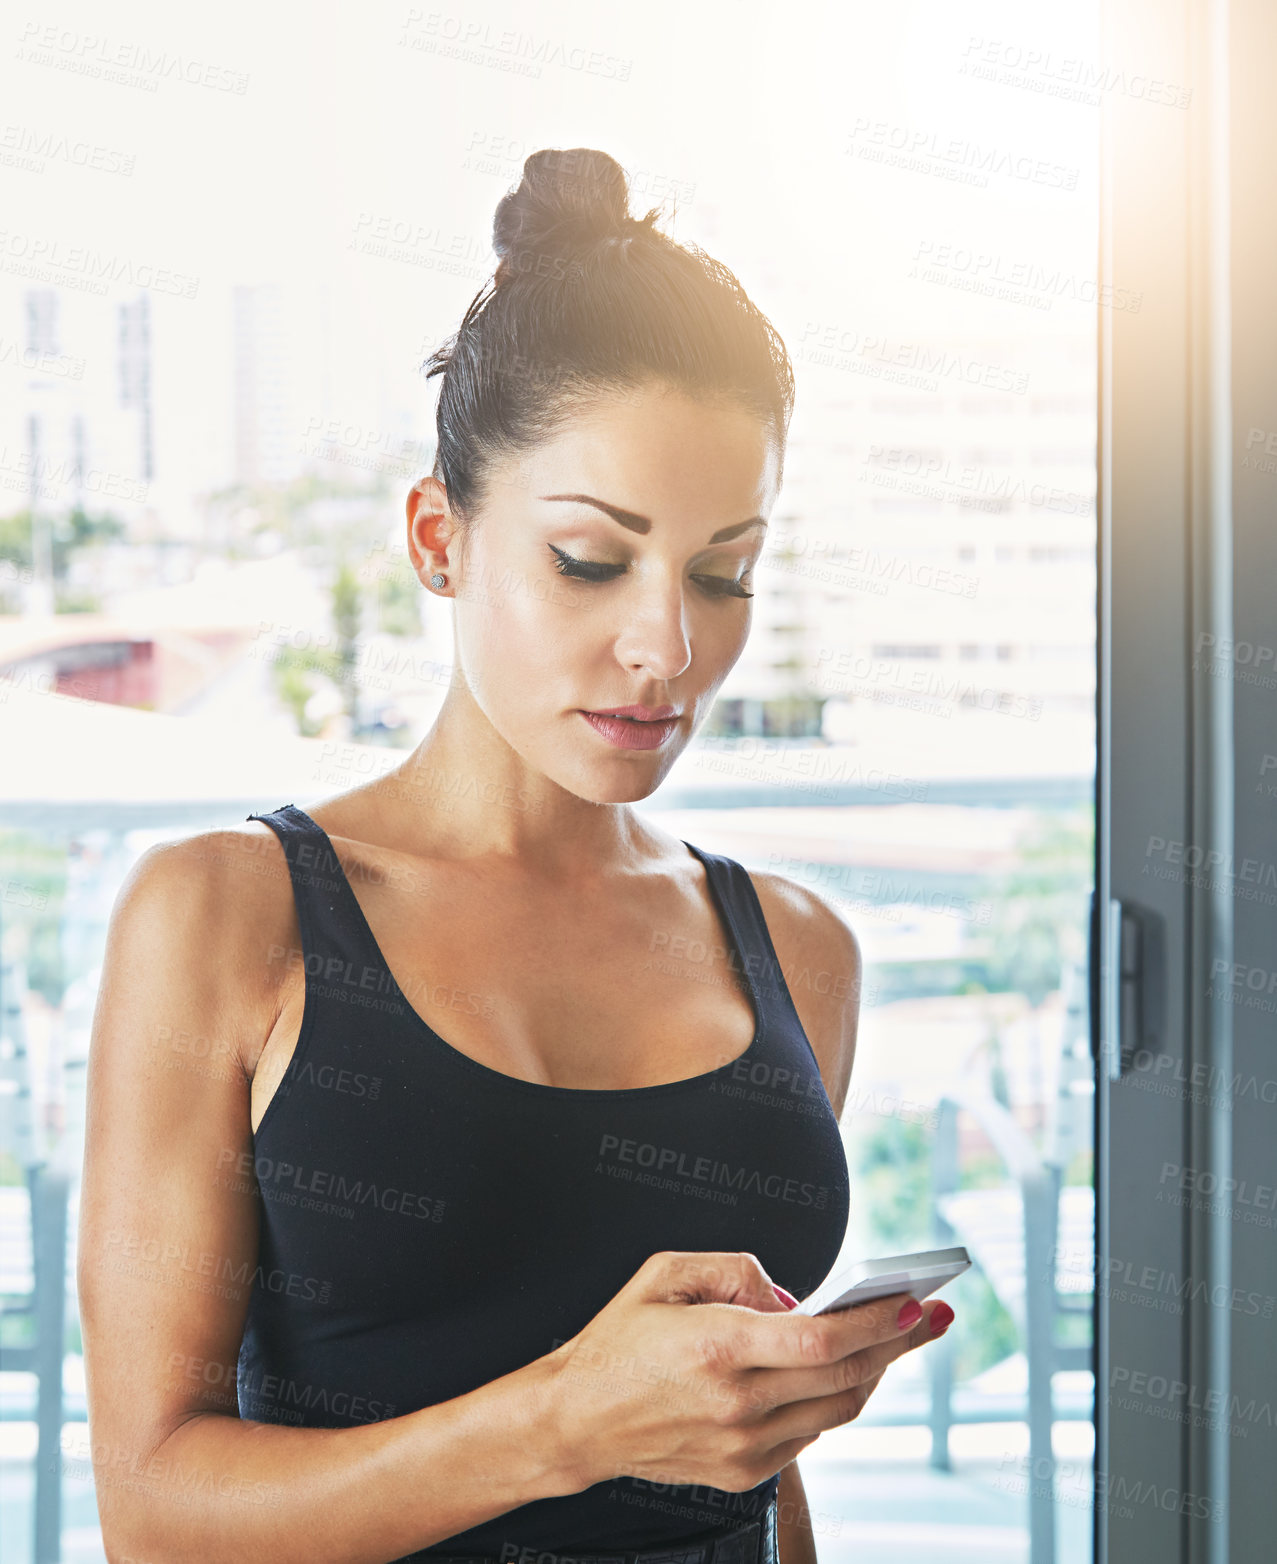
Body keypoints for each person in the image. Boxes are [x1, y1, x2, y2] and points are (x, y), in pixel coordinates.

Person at [77, 147, 954, 1564]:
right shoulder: (226, 919)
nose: (668, 648)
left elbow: (751, 1474)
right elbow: (156, 1517)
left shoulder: (795, 948)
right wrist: (565, 1423)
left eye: (724, 572)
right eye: (590, 560)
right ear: (439, 537)